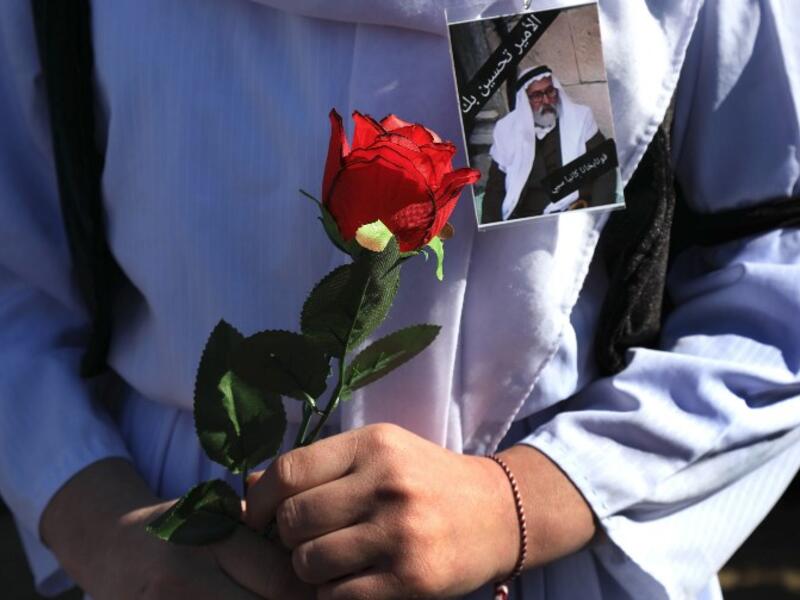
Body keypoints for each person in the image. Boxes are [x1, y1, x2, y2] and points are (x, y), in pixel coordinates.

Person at [0, 1, 798, 599]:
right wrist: (106, 532)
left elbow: (777, 263)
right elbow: (13, 275)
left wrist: (521, 502)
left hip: (551, 555)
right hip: (174, 549)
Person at [481, 65, 618, 223]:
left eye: (550, 91)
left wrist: (599, 218)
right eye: (537, 95)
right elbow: (495, 189)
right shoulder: (506, 131)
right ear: (525, 100)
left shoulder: (580, 119)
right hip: (526, 218)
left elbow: (605, 169)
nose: (546, 101)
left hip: (572, 213)